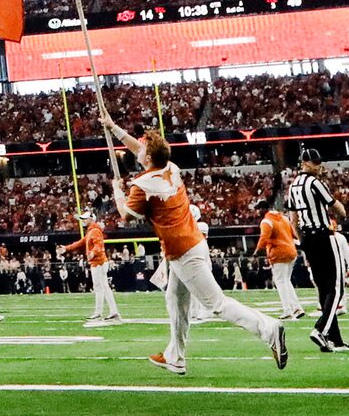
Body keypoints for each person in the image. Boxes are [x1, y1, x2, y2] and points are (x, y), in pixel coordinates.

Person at [118, 126, 287, 375]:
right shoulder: (170, 168)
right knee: (175, 300)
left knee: (217, 304)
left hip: (183, 251)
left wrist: (116, 191)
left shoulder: (142, 184)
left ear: (149, 158)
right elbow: (140, 149)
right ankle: (175, 356)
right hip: (191, 244)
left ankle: (268, 329)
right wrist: (112, 127)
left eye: (142, 149)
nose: (138, 150)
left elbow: (125, 216)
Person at [279, 150, 349, 352]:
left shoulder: (293, 187)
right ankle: (321, 329)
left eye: (318, 163)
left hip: (307, 239)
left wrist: (303, 242)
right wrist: (342, 213)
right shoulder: (315, 183)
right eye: (314, 163)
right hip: (324, 235)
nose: (317, 166)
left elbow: (293, 220)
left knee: (323, 289)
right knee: (336, 287)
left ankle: (335, 339)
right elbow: (337, 208)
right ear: (304, 163)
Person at [64, 200, 120, 326]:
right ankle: (112, 311)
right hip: (98, 262)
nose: (83, 220)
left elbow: (99, 245)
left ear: (91, 219)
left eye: (85, 218)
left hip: (98, 262)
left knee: (100, 287)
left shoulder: (94, 231)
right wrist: (67, 248)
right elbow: (81, 242)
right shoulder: (91, 231)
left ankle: (100, 312)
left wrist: (93, 253)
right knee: (103, 287)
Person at [256, 204, 302, 321]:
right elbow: (293, 233)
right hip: (291, 251)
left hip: (278, 253)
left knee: (280, 282)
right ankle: (296, 307)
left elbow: (264, 238)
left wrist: (257, 250)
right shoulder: (284, 218)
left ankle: (287, 310)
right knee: (286, 280)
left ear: (262, 210)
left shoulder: (267, 221)